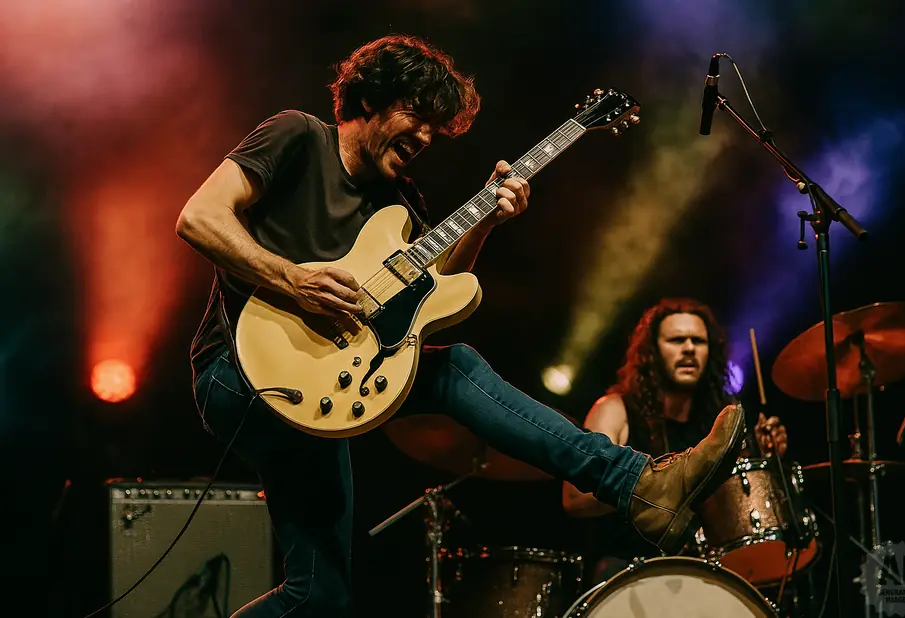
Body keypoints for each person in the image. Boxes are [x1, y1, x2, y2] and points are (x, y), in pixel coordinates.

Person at [176, 35, 745, 617]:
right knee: (457, 368)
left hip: (328, 382)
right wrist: (292, 280)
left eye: (436, 129)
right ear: (369, 99)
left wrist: (485, 222)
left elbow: (440, 296)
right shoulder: (297, 135)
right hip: (237, 371)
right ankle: (635, 482)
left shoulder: (399, 202)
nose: (425, 137)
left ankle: (641, 488)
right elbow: (198, 216)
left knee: (319, 595)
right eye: (417, 116)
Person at [562, 298, 789, 584]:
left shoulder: (717, 421)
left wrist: (763, 463)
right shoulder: (616, 410)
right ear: (652, 351)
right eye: (676, 340)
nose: (689, 348)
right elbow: (574, 497)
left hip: (703, 573)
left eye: (698, 341)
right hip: (626, 572)